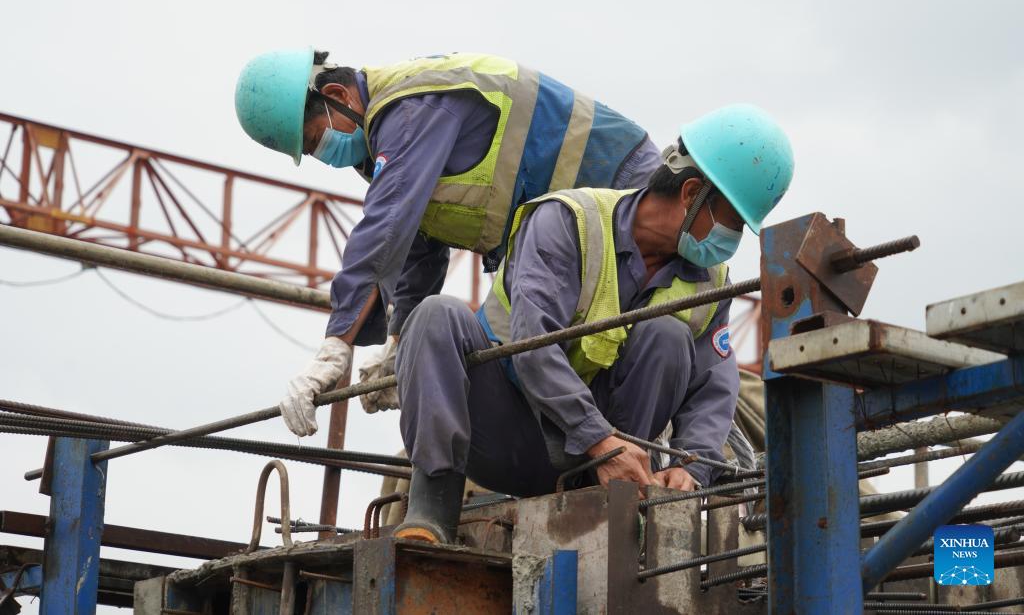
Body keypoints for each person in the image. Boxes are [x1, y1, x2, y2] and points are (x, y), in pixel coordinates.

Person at [391, 104, 795, 543]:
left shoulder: (711, 283)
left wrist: (689, 465)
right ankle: (432, 506)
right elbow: (533, 343)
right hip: (505, 428)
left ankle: (618, 502)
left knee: (668, 334)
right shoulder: (569, 222)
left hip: (598, 467)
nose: (730, 242)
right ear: (690, 191)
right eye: (732, 223)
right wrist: (599, 440)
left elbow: (714, 388)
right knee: (435, 315)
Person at [234, 50, 664, 435]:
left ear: (337, 95)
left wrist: (335, 346)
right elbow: (422, 245)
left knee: (601, 350)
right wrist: (398, 343)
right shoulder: (383, 139)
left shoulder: (408, 111)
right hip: (569, 223)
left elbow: (385, 226)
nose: (323, 156)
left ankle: (658, 459)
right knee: (524, 351)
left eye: (314, 141)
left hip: (621, 185)